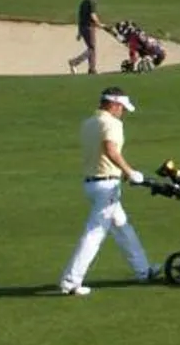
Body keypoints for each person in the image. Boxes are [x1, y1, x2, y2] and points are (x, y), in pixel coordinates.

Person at [60, 86, 155, 294]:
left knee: (122, 227)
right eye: (121, 107)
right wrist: (130, 172)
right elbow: (110, 150)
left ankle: (143, 270)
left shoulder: (88, 123)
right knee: (95, 233)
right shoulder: (111, 123)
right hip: (107, 185)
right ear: (113, 104)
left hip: (92, 184)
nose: (123, 112)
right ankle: (70, 282)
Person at [68, 0, 105, 74]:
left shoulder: (83, 3)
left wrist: (80, 32)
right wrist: (99, 24)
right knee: (92, 48)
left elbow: (80, 18)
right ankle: (74, 62)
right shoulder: (91, 2)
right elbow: (93, 15)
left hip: (84, 28)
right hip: (89, 28)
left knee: (91, 48)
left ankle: (92, 69)